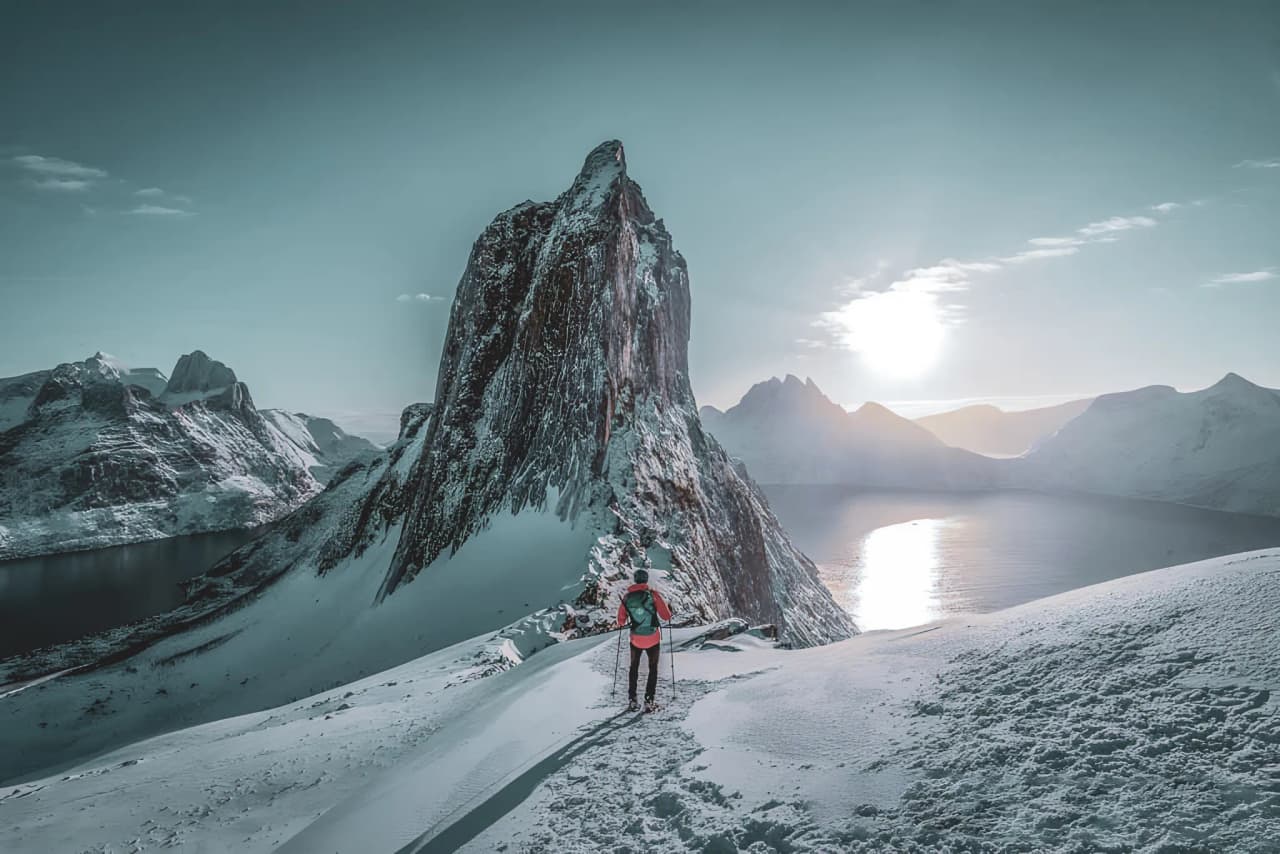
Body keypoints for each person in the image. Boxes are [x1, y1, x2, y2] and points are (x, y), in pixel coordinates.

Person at [616, 568, 672, 712]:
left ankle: (632, 700)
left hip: (636, 639)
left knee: (633, 668)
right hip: (653, 639)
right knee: (653, 669)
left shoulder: (628, 598)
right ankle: (649, 701)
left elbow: (620, 621)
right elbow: (666, 616)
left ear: (635, 580)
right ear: (646, 580)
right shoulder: (653, 595)